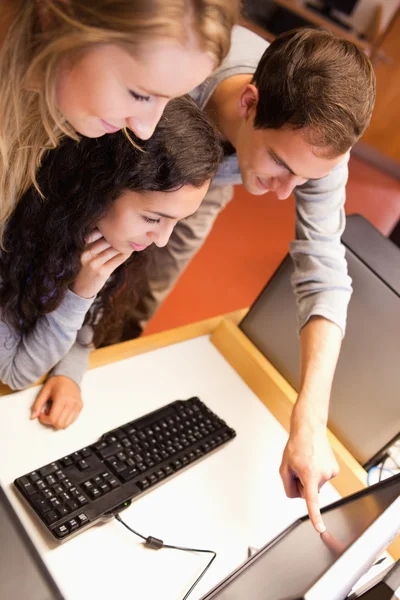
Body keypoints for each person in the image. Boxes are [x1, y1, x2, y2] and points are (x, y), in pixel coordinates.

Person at [121, 27, 376, 532]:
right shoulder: (179, 67)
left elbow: (324, 271)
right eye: (281, 164)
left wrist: (310, 420)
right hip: (136, 140)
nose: (286, 195)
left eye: (305, 179)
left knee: (140, 294)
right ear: (250, 101)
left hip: (214, 173)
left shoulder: (319, 146)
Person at [0, 95, 223, 430]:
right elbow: (16, 373)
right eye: (153, 219)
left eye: (177, 221)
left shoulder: (104, 231)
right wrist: (80, 294)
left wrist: (70, 370)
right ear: (99, 188)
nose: (162, 240)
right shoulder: (13, 231)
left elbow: (89, 320)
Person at [0, 0, 238, 230]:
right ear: (57, 17)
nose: (145, 128)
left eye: (169, 99)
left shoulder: (46, 113)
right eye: (140, 95)